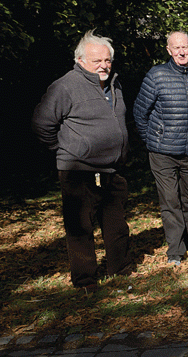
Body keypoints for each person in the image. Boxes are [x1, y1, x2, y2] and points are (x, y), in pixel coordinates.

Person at [32, 30, 130, 288]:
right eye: (97, 60)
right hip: (78, 170)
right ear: (80, 60)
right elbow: (42, 123)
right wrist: (66, 149)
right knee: (80, 228)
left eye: (107, 60)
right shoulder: (65, 86)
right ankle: (85, 280)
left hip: (112, 169)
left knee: (117, 226)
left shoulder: (114, 84)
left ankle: (119, 271)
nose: (103, 65)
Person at [134, 31, 188, 266]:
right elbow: (140, 113)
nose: (181, 51)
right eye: (176, 48)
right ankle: (175, 252)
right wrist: (151, 141)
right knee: (170, 201)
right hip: (162, 152)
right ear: (168, 51)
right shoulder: (156, 75)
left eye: (185, 47)